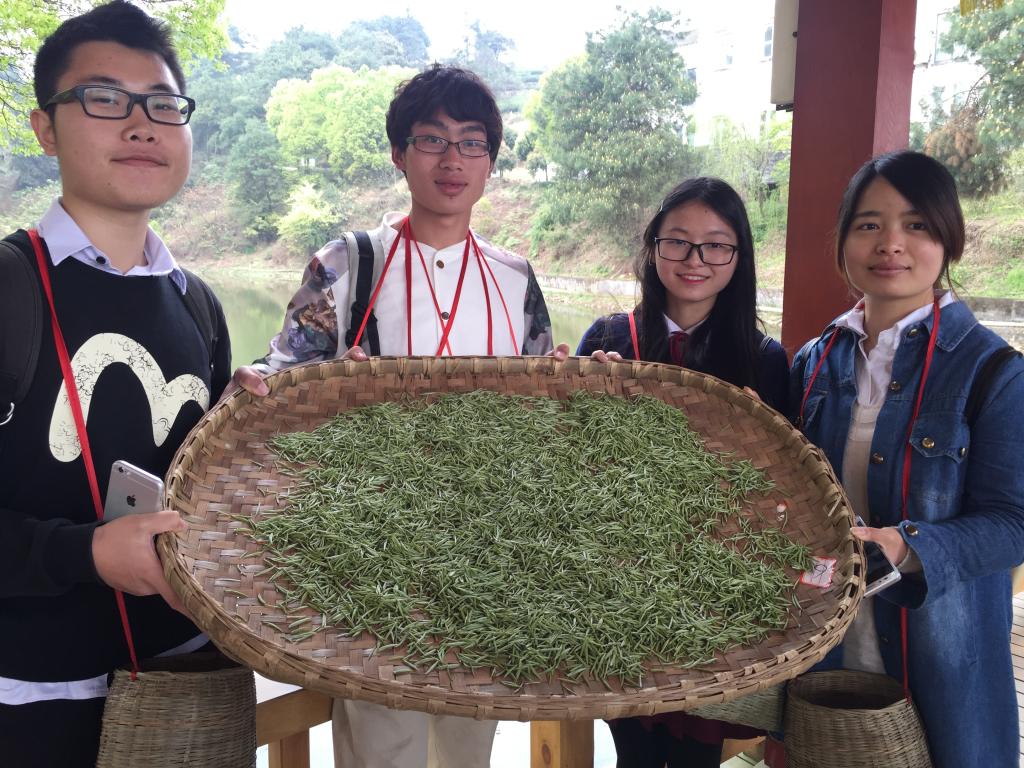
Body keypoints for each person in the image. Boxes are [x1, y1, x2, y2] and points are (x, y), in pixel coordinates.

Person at [232, 64, 567, 768]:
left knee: (472, 731)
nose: (453, 160)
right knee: (380, 738)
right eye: (432, 140)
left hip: (487, 544)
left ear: (490, 161)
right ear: (398, 153)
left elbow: (543, 400)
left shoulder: (514, 277)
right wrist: (262, 384)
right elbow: (284, 372)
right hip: (370, 545)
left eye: (472, 142)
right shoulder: (349, 262)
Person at [0, 3, 231, 766]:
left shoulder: (198, 306)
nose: (141, 125)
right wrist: (86, 555)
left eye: (162, 105)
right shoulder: (9, 288)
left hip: (186, 689)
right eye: (104, 99)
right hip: (29, 701)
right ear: (44, 128)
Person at [791, 150, 1024, 767]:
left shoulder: (994, 372)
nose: (890, 243)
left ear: (949, 240)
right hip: (825, 656)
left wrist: (905, 546)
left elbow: (1013, 524)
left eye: (916, 224)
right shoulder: (813, 363)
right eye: (868, 224)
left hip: (943, 668)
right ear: (844, 242)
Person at [578, 177, 789, 766]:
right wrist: (583, 396)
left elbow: (777, 489)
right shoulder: (609, 339)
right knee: (632, 742)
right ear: (654, 248)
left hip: (711, 584)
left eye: (716, 245)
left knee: (700, 745)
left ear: (738, 256)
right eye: (678, 241)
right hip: (617, 576)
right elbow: (568, 461)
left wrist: (752, 438)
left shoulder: (764, 360)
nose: (695, 260)